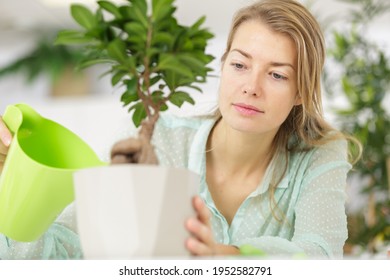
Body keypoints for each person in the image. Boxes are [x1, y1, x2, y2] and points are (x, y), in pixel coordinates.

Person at [0, 0, 361, 259]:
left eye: (277, 74)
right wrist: (10, 190)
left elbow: (320, 254)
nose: (252, 86)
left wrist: (225, 255)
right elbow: (68, 246)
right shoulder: (158, 140)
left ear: (301, 92)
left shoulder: (320, 155)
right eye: (239, 65)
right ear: (222, 67)